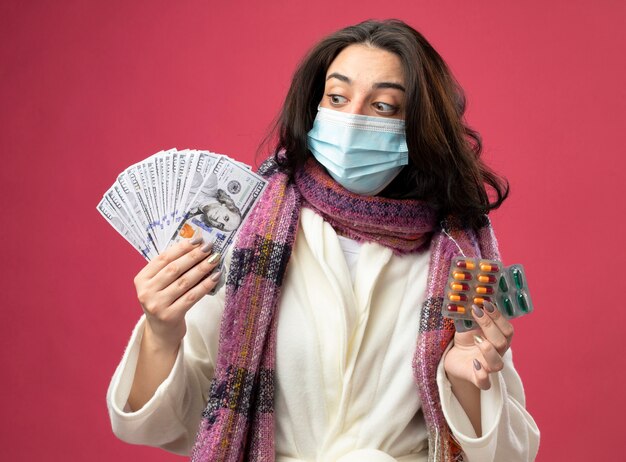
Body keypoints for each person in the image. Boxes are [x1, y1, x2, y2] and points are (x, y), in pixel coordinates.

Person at [107, 19, 540, 462]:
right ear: (315, 107)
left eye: (384, 106)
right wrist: (162, 333)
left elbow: (511, 455)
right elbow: (172, 420)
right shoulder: (251, 233)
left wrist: (465, 380)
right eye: (337, 97)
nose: (352, 118)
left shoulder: (459, 256)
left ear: (419, 126)